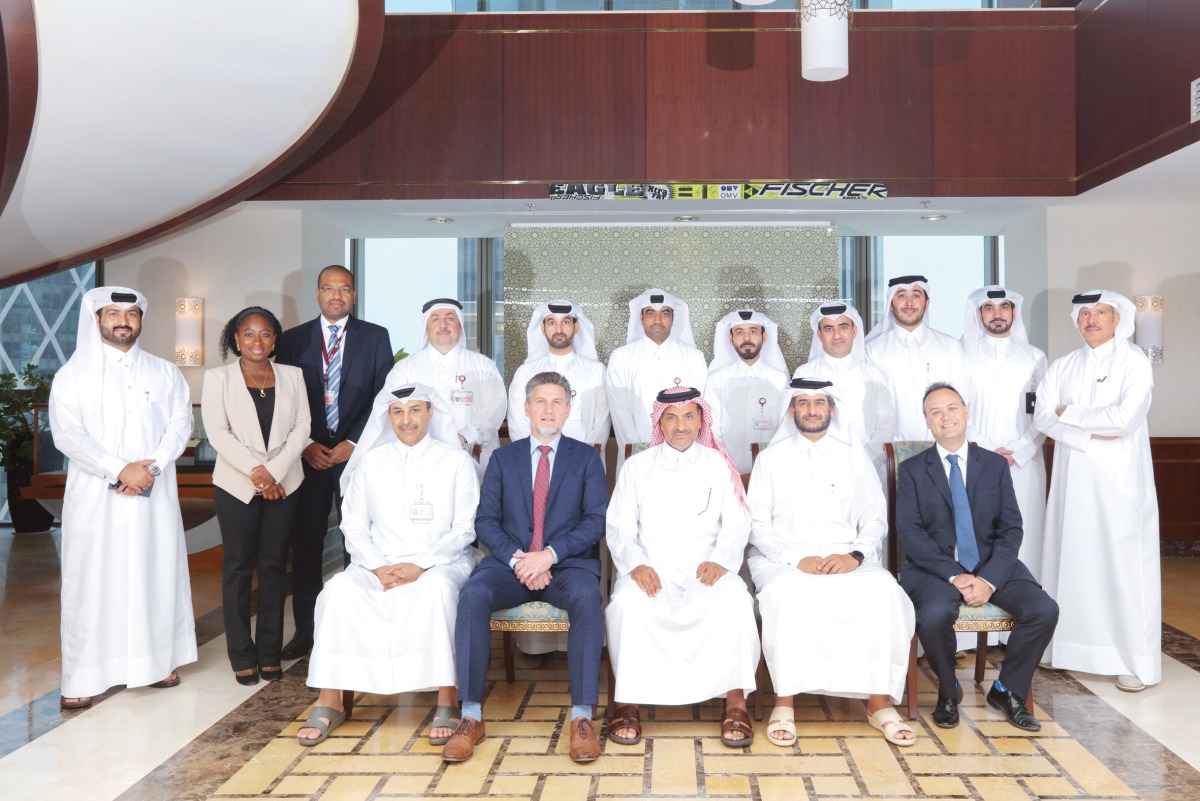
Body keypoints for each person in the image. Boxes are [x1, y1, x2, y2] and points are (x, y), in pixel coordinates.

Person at [297, 384, 481, 746]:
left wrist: (421, 565)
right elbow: (353, 524)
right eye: (398, 412)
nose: (406, 419)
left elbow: (464, 529)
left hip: (440, 563)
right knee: (337, 592)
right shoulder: (371, 461)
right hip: (377, 564)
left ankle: (447, 699)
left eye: (415, 410)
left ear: (431, 413)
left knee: (437, 592)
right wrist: (378, 567)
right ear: (388, 418)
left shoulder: (456, 460)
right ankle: (330, 700)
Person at [444, 372, 608, 764]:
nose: (548, 409)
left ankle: (582, 718)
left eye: (556, 402)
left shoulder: (587, 458)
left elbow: (596, 519)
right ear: (526, 407)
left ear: (569, 409)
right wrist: (520, 559)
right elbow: (486, 521)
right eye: (540, 401)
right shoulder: (503, 458)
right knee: (473, 594)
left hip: (567, 567)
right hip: (510, 565)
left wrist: (548, 556)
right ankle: (470, 716)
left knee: (588, 598)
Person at [49, 287, 196, 708]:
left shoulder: (165, 372)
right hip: (97, 497)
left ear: (140, 320)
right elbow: (68, 435)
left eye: (131, 313)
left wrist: (149, 468)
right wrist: (119, 469)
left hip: (154, 492)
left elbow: (180, 423)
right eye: (113, 313)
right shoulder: (72, 375)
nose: (123, 321)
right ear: (96, 319)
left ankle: (156, 662)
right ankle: (83, 675)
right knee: (92, 581)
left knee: (155, 573)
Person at [748, 378, 916, 747]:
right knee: (787, 595)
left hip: (847, 556)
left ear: (832, 409)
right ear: (791, 411)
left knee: (883, 592)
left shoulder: (853, 456)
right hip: (782, 558)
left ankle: (878, 702)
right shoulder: (770, 459)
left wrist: (854, 556)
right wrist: (796, 558)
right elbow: (756, 524)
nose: (811, 409)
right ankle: (785, 702)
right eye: (803, 403)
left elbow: (875, 519)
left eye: (819, 402)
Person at [897, 382, 1058, 732]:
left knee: (1044, 610)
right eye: (935, 412)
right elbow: (912, 535)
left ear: (966, 412)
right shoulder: (911, 470)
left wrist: (987, 579)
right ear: (926, 421)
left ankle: (1007, 689)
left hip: (994, 566)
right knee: (935, 613)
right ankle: (949, 688)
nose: (945, 416)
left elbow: (1011, 529)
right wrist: (956, 576)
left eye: (952, 408)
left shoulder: (995, 466)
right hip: (934, 569)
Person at [605, 386, 759, 748]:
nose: (680, 425)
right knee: (626, 604)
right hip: (650, 571)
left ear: (701, 419)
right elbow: (619, 526)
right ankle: (628, 701)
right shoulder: (636, 466)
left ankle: (735, 702)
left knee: (735, 599)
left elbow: (738, 521)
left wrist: (721, 560)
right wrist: (636, 565)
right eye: (671, 418)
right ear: (659, 421)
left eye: (689, 416)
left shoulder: (719, 464)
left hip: (704, 571)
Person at [1034, 290, 1160, 692]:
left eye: (1099, 313)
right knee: (1071, 560)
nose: (1090, 320)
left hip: (1118, 482)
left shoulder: (1135, 362)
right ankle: (1067, 649)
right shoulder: (1063, 365)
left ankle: (1133, 661)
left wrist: (1069, 415)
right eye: (1084, 314)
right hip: (1072, 479)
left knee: (1121, 567)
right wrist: (1090, 435)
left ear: (1116, 319)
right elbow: (1041, 419)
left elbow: (1124, 420)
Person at [274, 264, 394, 660]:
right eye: (329, 288)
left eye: (344, 289)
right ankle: (306, 633)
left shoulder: (376, 337)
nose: (336, 295)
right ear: (317, 293)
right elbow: (284, 400)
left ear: (354, 295)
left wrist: (353, 443)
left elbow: (383, 397)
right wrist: (306, 443)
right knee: (305, 545)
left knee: (357, 541)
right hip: (306, 458)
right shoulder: (292, 340)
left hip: (355, 458)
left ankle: (358, 627)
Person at [202, 307, 310, 685]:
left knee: (274, 567)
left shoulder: (293, 376)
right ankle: (241, 655)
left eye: (265, 334)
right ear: (235, 339)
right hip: (237, 485)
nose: (257, 341)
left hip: (286, 483)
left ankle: (268, 652)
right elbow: (218, 433)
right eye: (248, 334)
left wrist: (275, 471)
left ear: (275, 340)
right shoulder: (218, 378)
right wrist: (260, 475)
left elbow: (302, 427)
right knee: (237, 568)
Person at [961, 286, 1048, 580]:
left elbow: (1043, 414)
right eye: (989, 308)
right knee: (977, 535)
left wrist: (1019, 450)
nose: (997, 314)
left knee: (1027, 535)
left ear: (1013, 312)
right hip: (975, 461)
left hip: (1024, 463)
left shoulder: (1035, 357)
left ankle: (1027, 614)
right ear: (979, 314)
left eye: (1004, 307)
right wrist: (985, 450)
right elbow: (956, 410)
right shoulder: (962, 356)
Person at [385, 298, 506, 475]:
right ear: (426, 328)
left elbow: (496, 404)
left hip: (472, 457)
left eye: (450, 319)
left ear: (460, 327)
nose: (443, 325)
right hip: (419, 459)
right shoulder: (405, 369)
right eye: (435, 319)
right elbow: (392, 411)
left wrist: (466, 436)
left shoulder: (483, 366)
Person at [606, 289, 707, 472]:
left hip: (682, 456)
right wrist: (639, 450)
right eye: (651, 313)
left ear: (673, 318)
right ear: (641, 318)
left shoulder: (693, 358)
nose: (658, 320)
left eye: (664, 313)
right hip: (636, 456)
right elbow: (620, 411)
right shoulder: (621, 357)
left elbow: (694, 411)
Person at [795, 300, 894, 479]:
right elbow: (797, 424)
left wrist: (868, 460)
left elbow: (885, 424)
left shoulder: (873, 375)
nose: (836, 335)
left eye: (843, 327)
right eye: (828, 329)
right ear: (819, 334)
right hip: (818, 470)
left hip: (868, 469)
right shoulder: (805, 373)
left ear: (854, 331)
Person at [865, 276, 969, 440]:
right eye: (901, 296)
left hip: (943, 447)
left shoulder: (951, 347)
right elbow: (873, 408)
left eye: (916, 295)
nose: (909, 303)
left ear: (926, 304)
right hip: (892, 452)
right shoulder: (872, 350)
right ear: (891, 304)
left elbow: (962, 400)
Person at [506, 300, 610, 452]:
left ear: (576, 327)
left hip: (584, 463)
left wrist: (583, 458)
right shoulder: (525, 372)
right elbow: (517, 423)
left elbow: (602, 423)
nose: (559, 329)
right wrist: (541, 455)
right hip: (537, 462)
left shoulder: (597, 371)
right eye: (552, 322)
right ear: (542, 328)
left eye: (565, 322)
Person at [705, 309, 790, 475]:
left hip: (771, 469)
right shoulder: (717, 380)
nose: (747, 338)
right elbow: (711, 429)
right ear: (731, 339)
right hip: (727, 470)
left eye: (753, 331)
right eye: (739, 332)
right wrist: (724, 466)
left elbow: (785, 428)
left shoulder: (780, 380)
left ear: (764, 337)